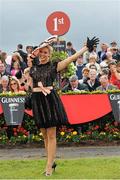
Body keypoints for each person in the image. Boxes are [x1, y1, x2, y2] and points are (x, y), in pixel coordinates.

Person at [29, 36, 99, 176]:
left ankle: (49, 166)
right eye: (41, 52)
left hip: (50, 100)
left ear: (50, 54)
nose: (42, 55)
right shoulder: (32, 66)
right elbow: (31, 81)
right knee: (44, 135)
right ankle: (51, 162)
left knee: (51, 134)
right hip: (37, 100)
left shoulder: (54, 65)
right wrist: (45, 43)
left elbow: (72, 58)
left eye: (45, 52)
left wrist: (85, 48)